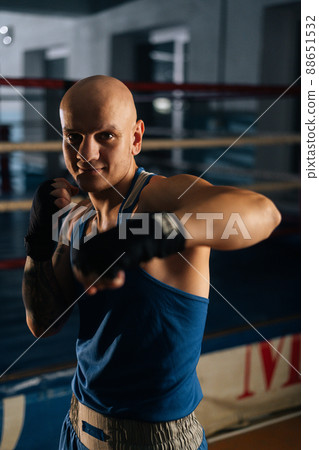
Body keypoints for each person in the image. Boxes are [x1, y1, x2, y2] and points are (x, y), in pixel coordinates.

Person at [22, 75, 281, 450]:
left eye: (105, 136)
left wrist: (146, 233)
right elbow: (42, 324)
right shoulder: (78, 219)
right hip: (78, 428)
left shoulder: (162, 198)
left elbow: (264, 213)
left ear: (136, 138)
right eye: (73, 137)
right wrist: (37, 244)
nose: (85, 154)